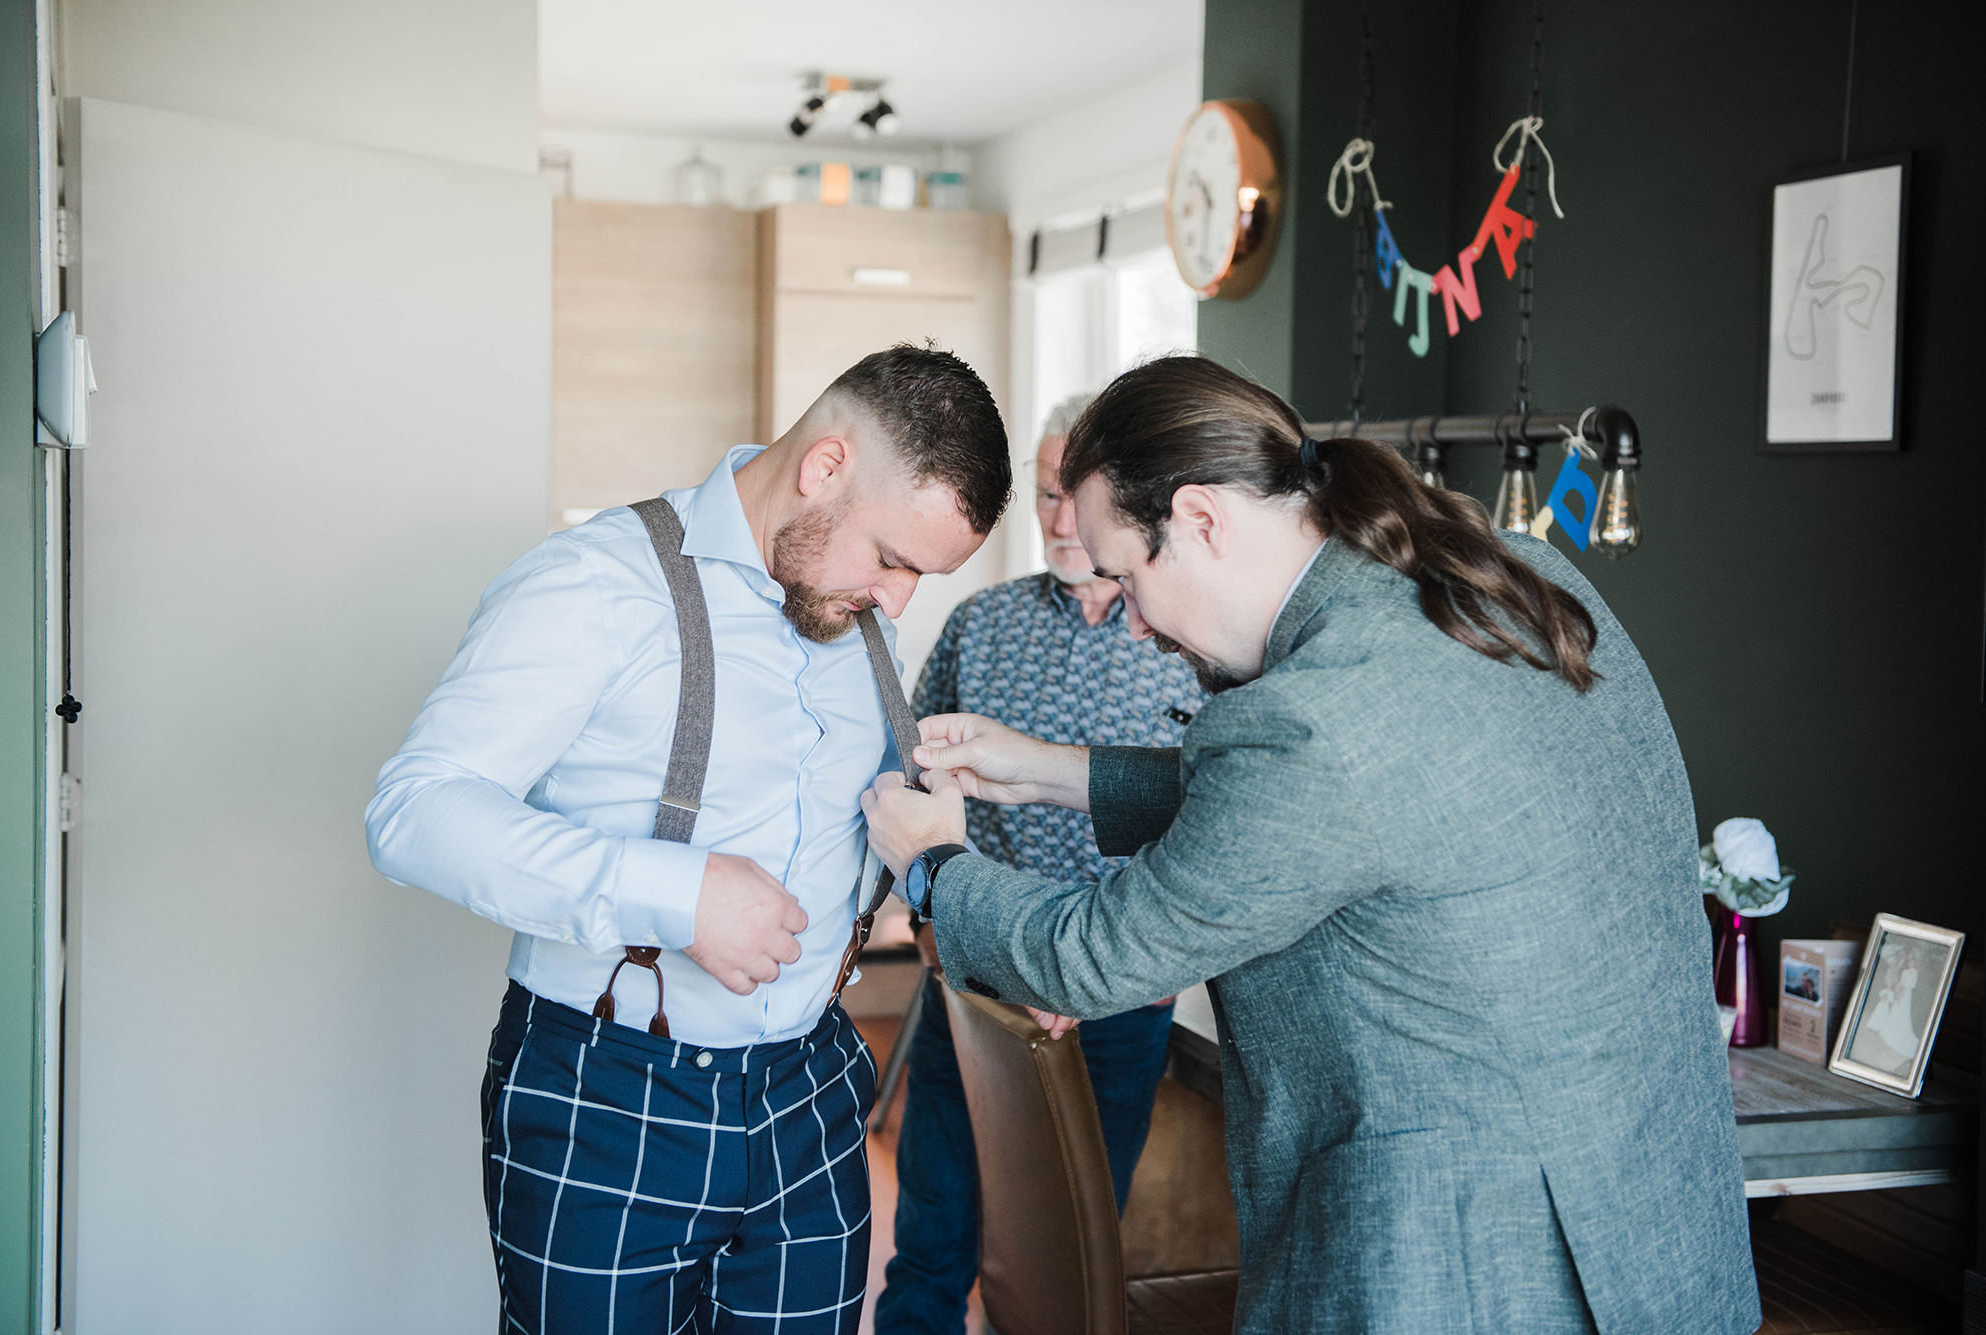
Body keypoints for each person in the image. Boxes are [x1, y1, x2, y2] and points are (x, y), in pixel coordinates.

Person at [861, 356, 1760, 1334]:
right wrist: (1051, 770)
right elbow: (1345, 813)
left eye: (1125, 575)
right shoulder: (1509, 575)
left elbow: (1098, 953)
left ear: (1199, 520)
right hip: (1655, 1227)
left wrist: (934, 863)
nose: (1128, 619)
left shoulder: (1309, 720)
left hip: (1475, 1267)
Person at [365, 344, 1010, 1334]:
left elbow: (855, 830)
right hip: (607, 1097)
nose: (898, 601)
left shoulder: (853, 610)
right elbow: (416, 810)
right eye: (892, 559)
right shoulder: (594, 584)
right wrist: (675, 892)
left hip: (813, 1091)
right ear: (824, 468)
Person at [874, 396, 1205, 1334]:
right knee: (933, 1235)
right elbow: (908, 772)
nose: (1063, 520)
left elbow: (1209, 818)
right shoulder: (982, 624)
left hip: (1115, 995)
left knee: (1072, 1258)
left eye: (1078, 497)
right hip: (977, 975)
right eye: (1050, 494)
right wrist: (926, 923)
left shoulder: (1188, 648)